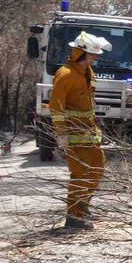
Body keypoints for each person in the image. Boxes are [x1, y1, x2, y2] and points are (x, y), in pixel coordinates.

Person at [50, 31, 112, 230]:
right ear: (79, 53)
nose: (96, 57)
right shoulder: (65, 74)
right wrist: (62, 134)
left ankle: (83, 206)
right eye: (93, 54)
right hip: (73, 134)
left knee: (97, 170)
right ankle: (74, 217)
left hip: (90, 134)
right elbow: (56, 106)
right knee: (80, 174)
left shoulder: (88, 73)